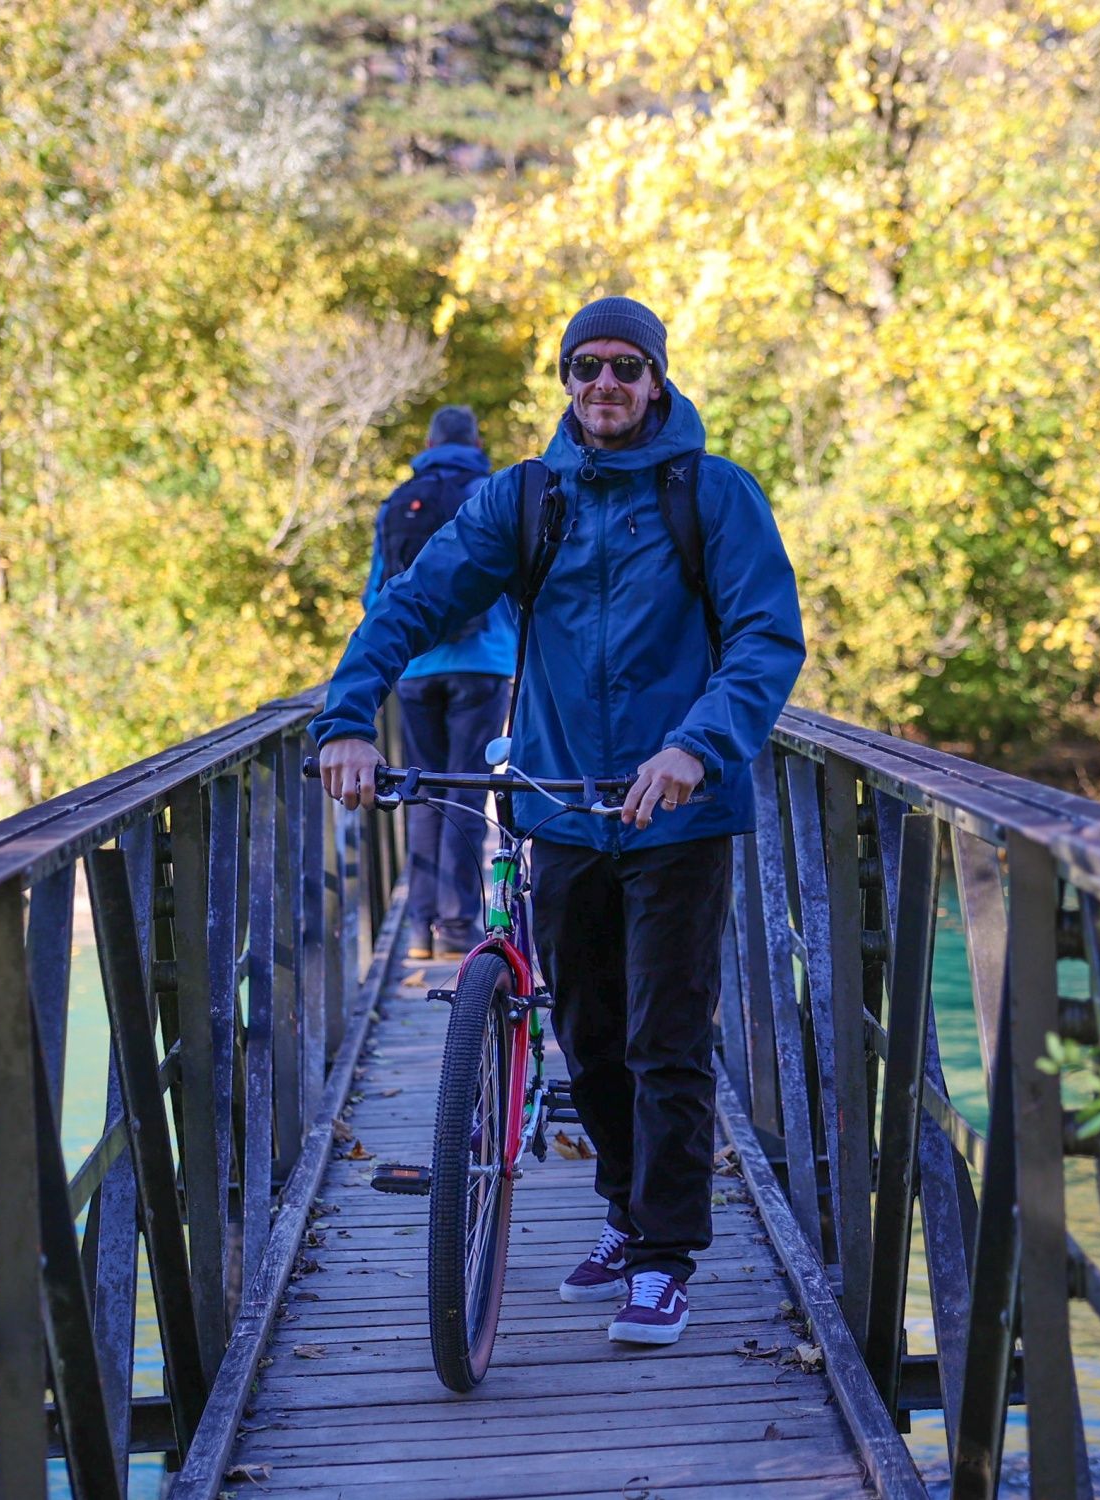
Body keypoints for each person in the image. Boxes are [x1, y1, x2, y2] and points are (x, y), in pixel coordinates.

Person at [312, 296, 805, 1347]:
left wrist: (695, 747)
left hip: (678, 810)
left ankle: (665, 1259)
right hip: (561, 806)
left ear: (658, 379)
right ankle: (627, 1217)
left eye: (626, 366)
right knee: (587, 1035)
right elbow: (411, 601)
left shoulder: (713, 494)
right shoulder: (525, 499)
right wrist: (346, 717)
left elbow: (766, 639)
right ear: (567, 381)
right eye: (586, 367)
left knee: (666, 1039)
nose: (605, 384)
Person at [363, 405, 517, 962]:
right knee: (467, 790)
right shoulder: (492, 494)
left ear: (429, 444)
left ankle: (417, 931)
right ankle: (456, 927)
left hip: (414, 668)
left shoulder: (397, 501)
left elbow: (377, 593)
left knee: (421, 789)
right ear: (475, 442)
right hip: (481, 664)